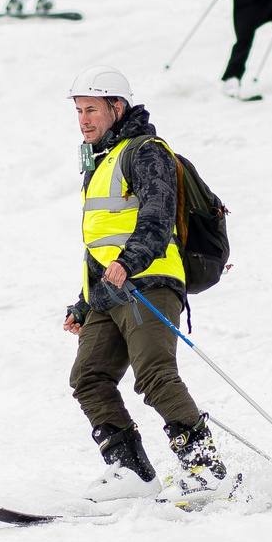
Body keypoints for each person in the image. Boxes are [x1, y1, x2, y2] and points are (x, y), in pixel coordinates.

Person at [58, 66, 232, 507]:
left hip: (149, 282)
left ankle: (205, 468)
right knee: (88, 377)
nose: (84, 120)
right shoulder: (99, 162)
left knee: (154, 374)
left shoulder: (145, 151)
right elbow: (100, 243)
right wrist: (82, 304)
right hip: (107, 291)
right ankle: (131, 470)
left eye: (92, 110)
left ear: (118, 107)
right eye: (79, 111)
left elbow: (157, 216)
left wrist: (129, 261)